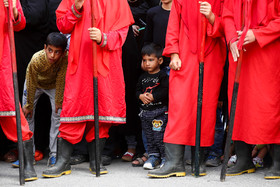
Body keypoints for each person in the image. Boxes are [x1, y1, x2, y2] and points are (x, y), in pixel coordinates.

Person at [42, 0, 134, 178]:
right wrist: (76, 8)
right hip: (80, 64)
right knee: (72, 110)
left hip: (106, 64)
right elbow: (62, 26)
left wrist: (103, 38)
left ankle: (96, 160)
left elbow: (122, 33)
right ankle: (63, 162)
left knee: (102, 114)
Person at [148, 0, 226, 178]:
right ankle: (175, 163)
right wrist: (174, 53)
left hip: (212, 56)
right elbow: (173, 25)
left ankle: (199, 161)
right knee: (179, 107)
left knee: (205, 108)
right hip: (183, 55)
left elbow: (229, 26)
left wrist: (212, 17)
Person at [223, 0, 280, 179]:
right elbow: (227, 16)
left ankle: (277, 161)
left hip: (268, 51)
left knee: (270, 106)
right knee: (239, 105)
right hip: (240, 52)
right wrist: (232, 37)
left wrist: (259, 34)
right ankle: (243, 159)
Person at [0, 0, 37, 181]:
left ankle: (28, 162)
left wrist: (14, 12)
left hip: (2, 59)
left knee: (10, 110)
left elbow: (20, 23)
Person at [18, 32, 67, 167]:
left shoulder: (65, 59)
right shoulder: (37, 59)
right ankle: (29, 155)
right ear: (45, 48)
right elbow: (31, 81)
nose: (52, 55)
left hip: (53, 85)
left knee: (57, 116)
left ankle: (54, 155)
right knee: (27, 115)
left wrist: (58, 101)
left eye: (57, 52)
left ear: (63, 53)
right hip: (35, 84)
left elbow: (61, 79)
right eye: (50, 50)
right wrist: (28, 104)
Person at [136, 43, 169, 170]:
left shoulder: (162, 76)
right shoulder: (143, 77)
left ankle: (165, 157)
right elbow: (137, 90)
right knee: (149, 136)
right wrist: (140, 96)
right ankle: (153, 156)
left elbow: (166, 90)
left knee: (159, 136)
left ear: (160, 60)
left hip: (159, 112)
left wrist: (154, 97)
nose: (147, 63)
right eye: (144, 60)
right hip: (145, 113)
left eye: (151, 60)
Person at [144, 0, 172, 75]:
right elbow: (148, 39)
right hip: (157, 61)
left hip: (175, 59)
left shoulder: (181, 13)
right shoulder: (152, 13)